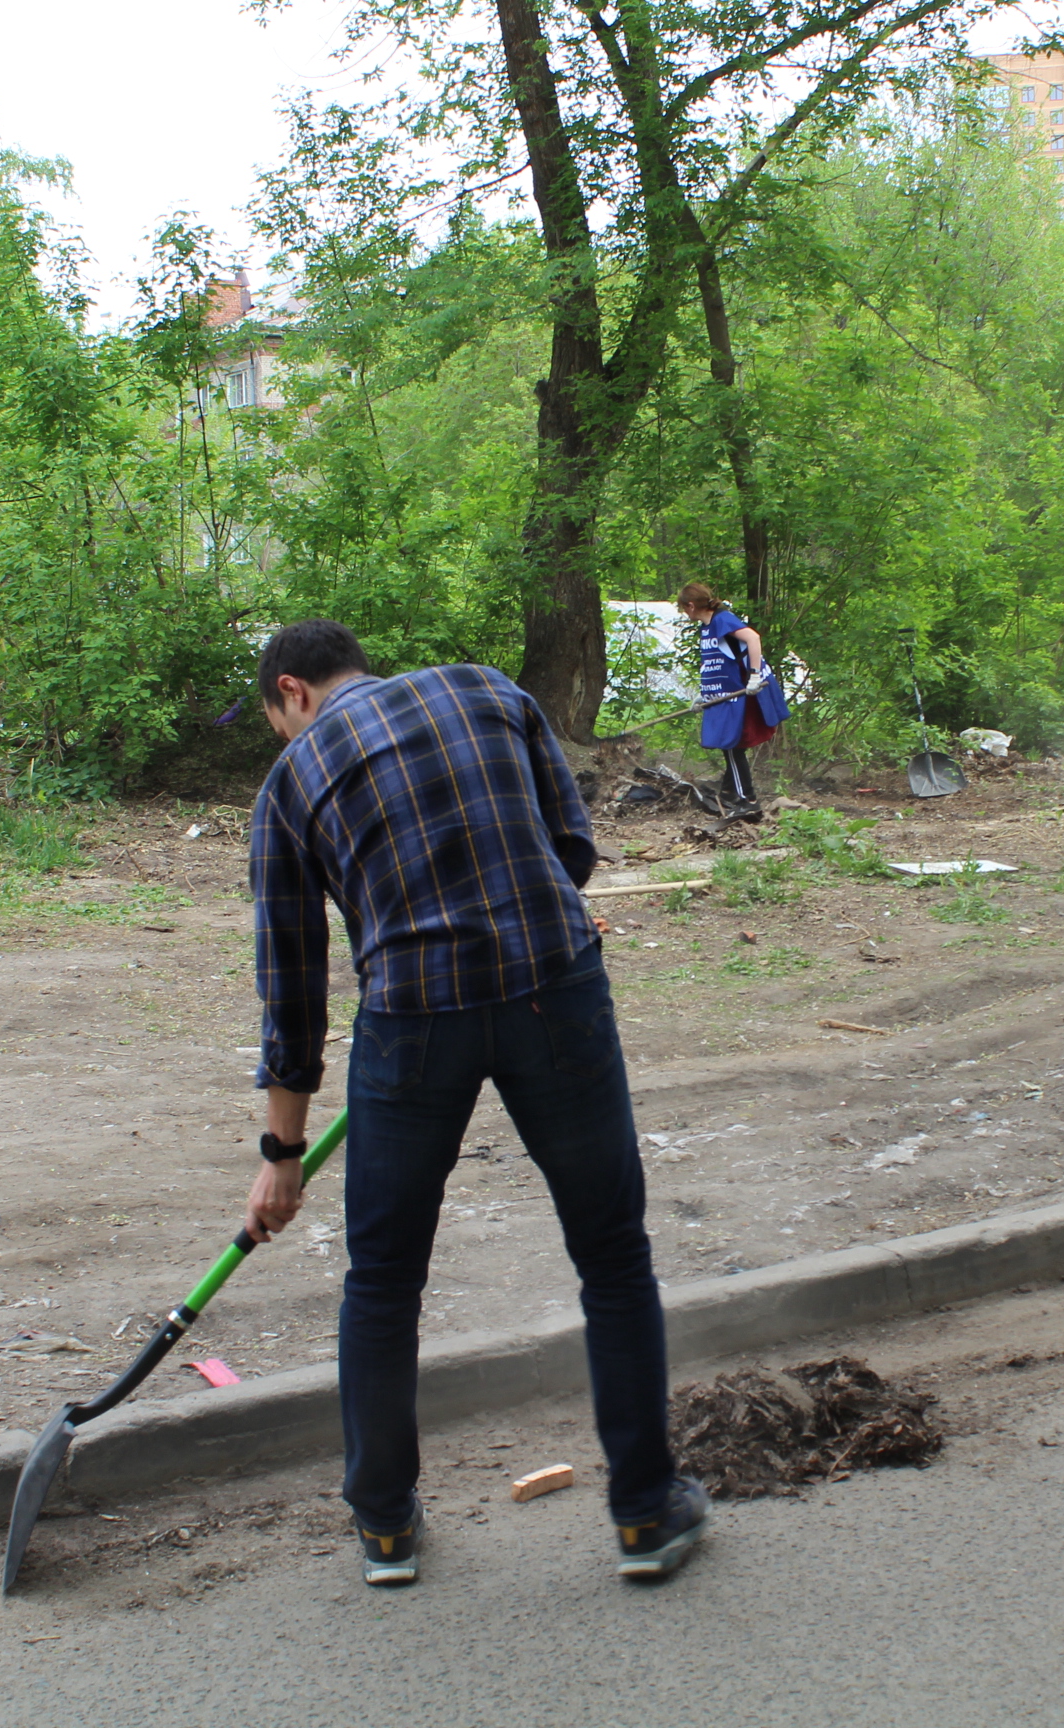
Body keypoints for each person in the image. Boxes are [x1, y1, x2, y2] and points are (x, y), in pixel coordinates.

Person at [241, 619, 708, 1586]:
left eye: (274, 721)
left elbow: (293, 988)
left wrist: (279, 1155)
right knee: (613, 1257)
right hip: (555, 991)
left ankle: (383, 1527)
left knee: (383, 1281)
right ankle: (646, 1516)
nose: (285, 740)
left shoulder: (289, 785)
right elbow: (568, 848)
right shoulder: (491, 689)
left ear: (292, 691)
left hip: (412, 1022)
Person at [676, 583, 787, 814]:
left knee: (733, 746)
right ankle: (728, 794)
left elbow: (753, 638)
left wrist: (754, 676)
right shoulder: (707, 628)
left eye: (683, 608)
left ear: (691, 605)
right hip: (724, 695)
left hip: (743, 693)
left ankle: (749, 802)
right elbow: (717, 664)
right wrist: (705, 694)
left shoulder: (722, 620)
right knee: (732, 745)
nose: (684, 613)